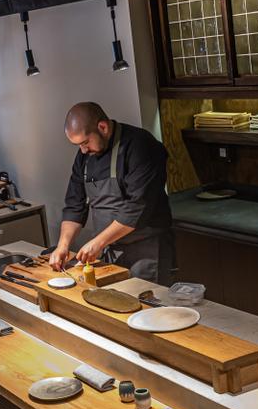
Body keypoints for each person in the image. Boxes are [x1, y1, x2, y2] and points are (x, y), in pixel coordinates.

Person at [48, 102, 174, 285]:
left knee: (147, 307)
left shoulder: (141, 146)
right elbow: (75, 204)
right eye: (78, 146)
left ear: (103, 127)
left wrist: (98, 242)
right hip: (109, 249)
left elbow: (136, 208)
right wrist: (63, 245)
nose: (83, 150)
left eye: (85, 143)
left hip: (147, 251)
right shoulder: (85, 155)